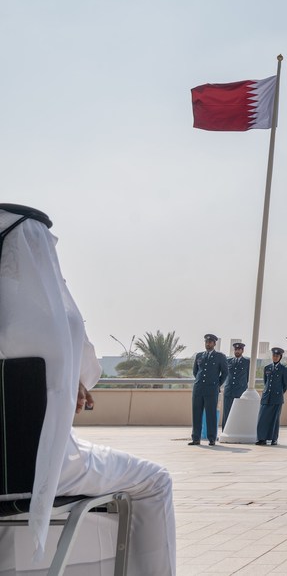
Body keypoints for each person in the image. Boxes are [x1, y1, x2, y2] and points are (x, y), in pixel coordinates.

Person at [0, 204, 176, 574]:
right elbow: (84, 370)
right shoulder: (52, 320)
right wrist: (72, 378)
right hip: (39, 467)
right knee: (156, 480)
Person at [190, 332, 228, 446]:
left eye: (210, 342)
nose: (208, 344)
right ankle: (196, 438)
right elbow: (195, 372)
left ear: (214, 343)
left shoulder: (220, 356)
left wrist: (217, 384)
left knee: (211, 414)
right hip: (198, 389)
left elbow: (225, 373)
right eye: (206, 342)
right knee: (196, 413)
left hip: (211, 390)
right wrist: (199, 382)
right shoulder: (199, 356)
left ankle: (212, 438)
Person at [256, 346, 287, 445]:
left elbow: (286, 384)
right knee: (262, 418)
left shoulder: (283, 369)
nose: (275, 357)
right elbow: (265, 382)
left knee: (274, 419)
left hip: (277, 398)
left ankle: (273, 439)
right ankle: (261, 438)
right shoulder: (267, 368)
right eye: (274, 356)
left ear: (280, 357)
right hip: (266, 397)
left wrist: (279, 392)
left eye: (277, 356)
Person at [222, 341, 250, 429]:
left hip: (240, 391)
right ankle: (225, 430)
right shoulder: (228, 361)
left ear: (242, 351)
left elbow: (248, 376)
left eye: (239, 350)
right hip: (229, 390)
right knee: (227, 412)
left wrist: (242, 385)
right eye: (235, 349)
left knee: (239, 412)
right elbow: (224, 374)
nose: (237, 351)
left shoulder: (247, 362)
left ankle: (237, 430)